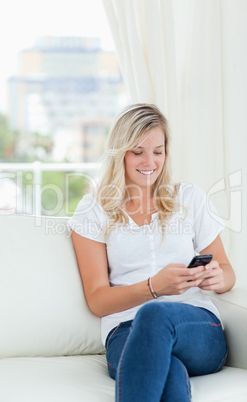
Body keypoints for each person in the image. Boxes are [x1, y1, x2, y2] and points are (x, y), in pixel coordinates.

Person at [68, 103, 236, 402]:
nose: (150, 161)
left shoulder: (189, 198)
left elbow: (227, 271)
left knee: (156, 314)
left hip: (195, 328)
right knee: (166, 368)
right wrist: (152, 288)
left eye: (158, 151)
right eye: (138, 151)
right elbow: (97, 299)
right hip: (126, 332)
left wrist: (216, 278)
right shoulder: (93, 211)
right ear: (120, 152)